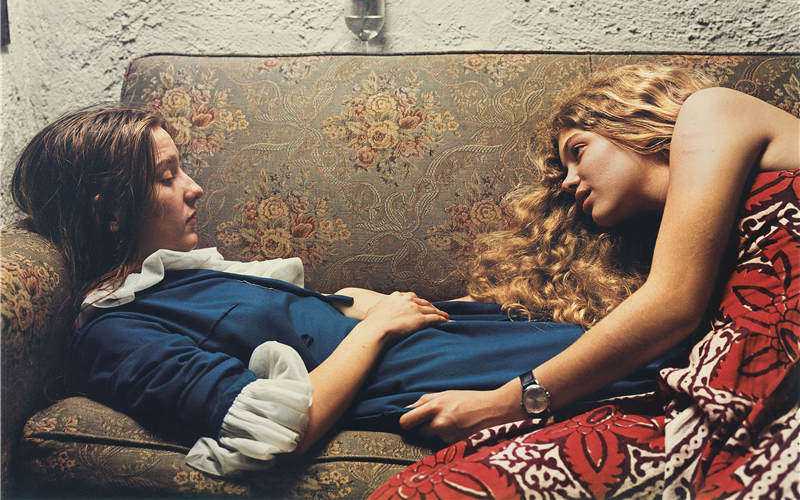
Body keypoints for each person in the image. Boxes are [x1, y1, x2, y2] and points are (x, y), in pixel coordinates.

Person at [10, 104, 683, 477]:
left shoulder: (177, 278)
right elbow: (277, 429)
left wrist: (348, 301)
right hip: (420, 370)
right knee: (666, 359)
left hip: (443, 336)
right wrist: (377, 327)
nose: (195, 188)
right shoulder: (116, 333)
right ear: (109, 208)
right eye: (167, 176)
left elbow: (279, 327)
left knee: (661, 335)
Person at [374, 63, 798, 498]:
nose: (570, 181)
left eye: (578, 151)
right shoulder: (676, 245)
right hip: (724, 398)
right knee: (426, 489)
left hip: (779, 394)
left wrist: (504, 402)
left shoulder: (713, 110)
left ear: (629, 121)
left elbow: (672, 304)